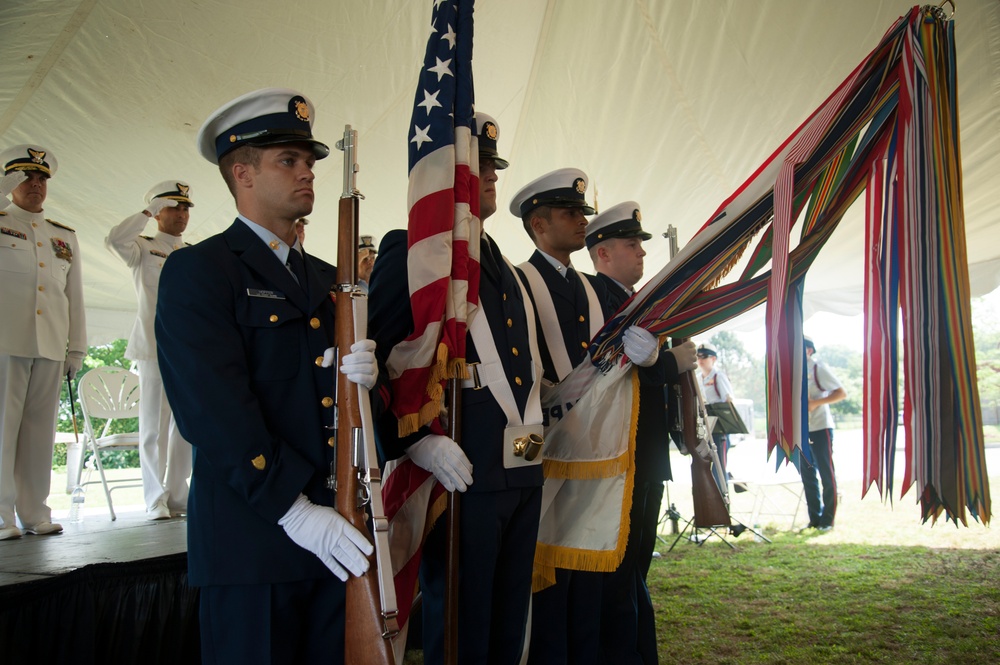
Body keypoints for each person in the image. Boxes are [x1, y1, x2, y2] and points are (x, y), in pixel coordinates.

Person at [154, 88, 379, 664]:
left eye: (309, 162)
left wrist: (375, 388)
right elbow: (212, 410)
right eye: (289, 160)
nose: (307, 173)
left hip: (335, 533)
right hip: (252, 543)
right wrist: (293, 510)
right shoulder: (200, 271)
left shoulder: (332, 280)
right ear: (242, 173)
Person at [368, 112, 542, 665]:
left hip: (520, 466)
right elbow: (377, 366)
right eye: (478, 164)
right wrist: (413, 442)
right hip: (458, 472)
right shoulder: (414, 252)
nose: (491, 175)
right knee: (463, 629)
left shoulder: (506, 267)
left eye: (494, 165)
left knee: (508, 620)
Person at [587, 201, 697, 664]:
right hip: (619, 455)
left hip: (645, 454)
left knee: (635, 569)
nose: (642, 253)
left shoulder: (638, 302)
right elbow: (610, 371)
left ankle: (637, 650)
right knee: (621, 572)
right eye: (631, 245)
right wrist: (672, 362)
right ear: (602, 254)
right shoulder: (596, 300)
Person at [509, 167, 606, 664]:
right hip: (536, 442)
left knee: (582, 563)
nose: (581, 221)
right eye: (569, 213)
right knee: (541, 561)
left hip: (589, 443)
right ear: (538, 225)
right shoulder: (518, 280)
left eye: (581, 213)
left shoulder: (590, 287)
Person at [0, 144, 86, 541]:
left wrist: (77, 349)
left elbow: (75, 296)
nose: (34, 184)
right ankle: (1, 516)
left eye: (40, 178)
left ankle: (34, 512)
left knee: (39, 433)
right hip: (6, 341)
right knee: (3, 428)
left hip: (50, 344)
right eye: (24, 177)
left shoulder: (63, 236)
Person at [105, 181, 194, 520]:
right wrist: (145, 212)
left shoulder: (192, 254)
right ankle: (154, 496)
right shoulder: (142, 247)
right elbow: (115, 240)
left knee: (184, 427)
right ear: (158, 212)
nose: (182, 214)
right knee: (153, 426)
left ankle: (177, 494)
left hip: (186, 350)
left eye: (186, 208)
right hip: (153, 346)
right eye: (174, 207)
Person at [800, 336, 846, 531]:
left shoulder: (817, 368)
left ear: (809, 350)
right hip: (802, 429)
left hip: (820, 427)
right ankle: (815, 518)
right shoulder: (792, 371)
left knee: (826, 474)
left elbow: (841, 392)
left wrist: (815, 403)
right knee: (807, 475)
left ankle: (828, 520)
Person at [697, 343, 735, 477]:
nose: (700, 360)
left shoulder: (719, 376)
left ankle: (722, 497)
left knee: (719, 467)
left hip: (719, 429)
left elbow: (728, 400)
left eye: (704, 356)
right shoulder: (697, 378)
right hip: (704, 428)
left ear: (713, 359)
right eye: (698, 356)